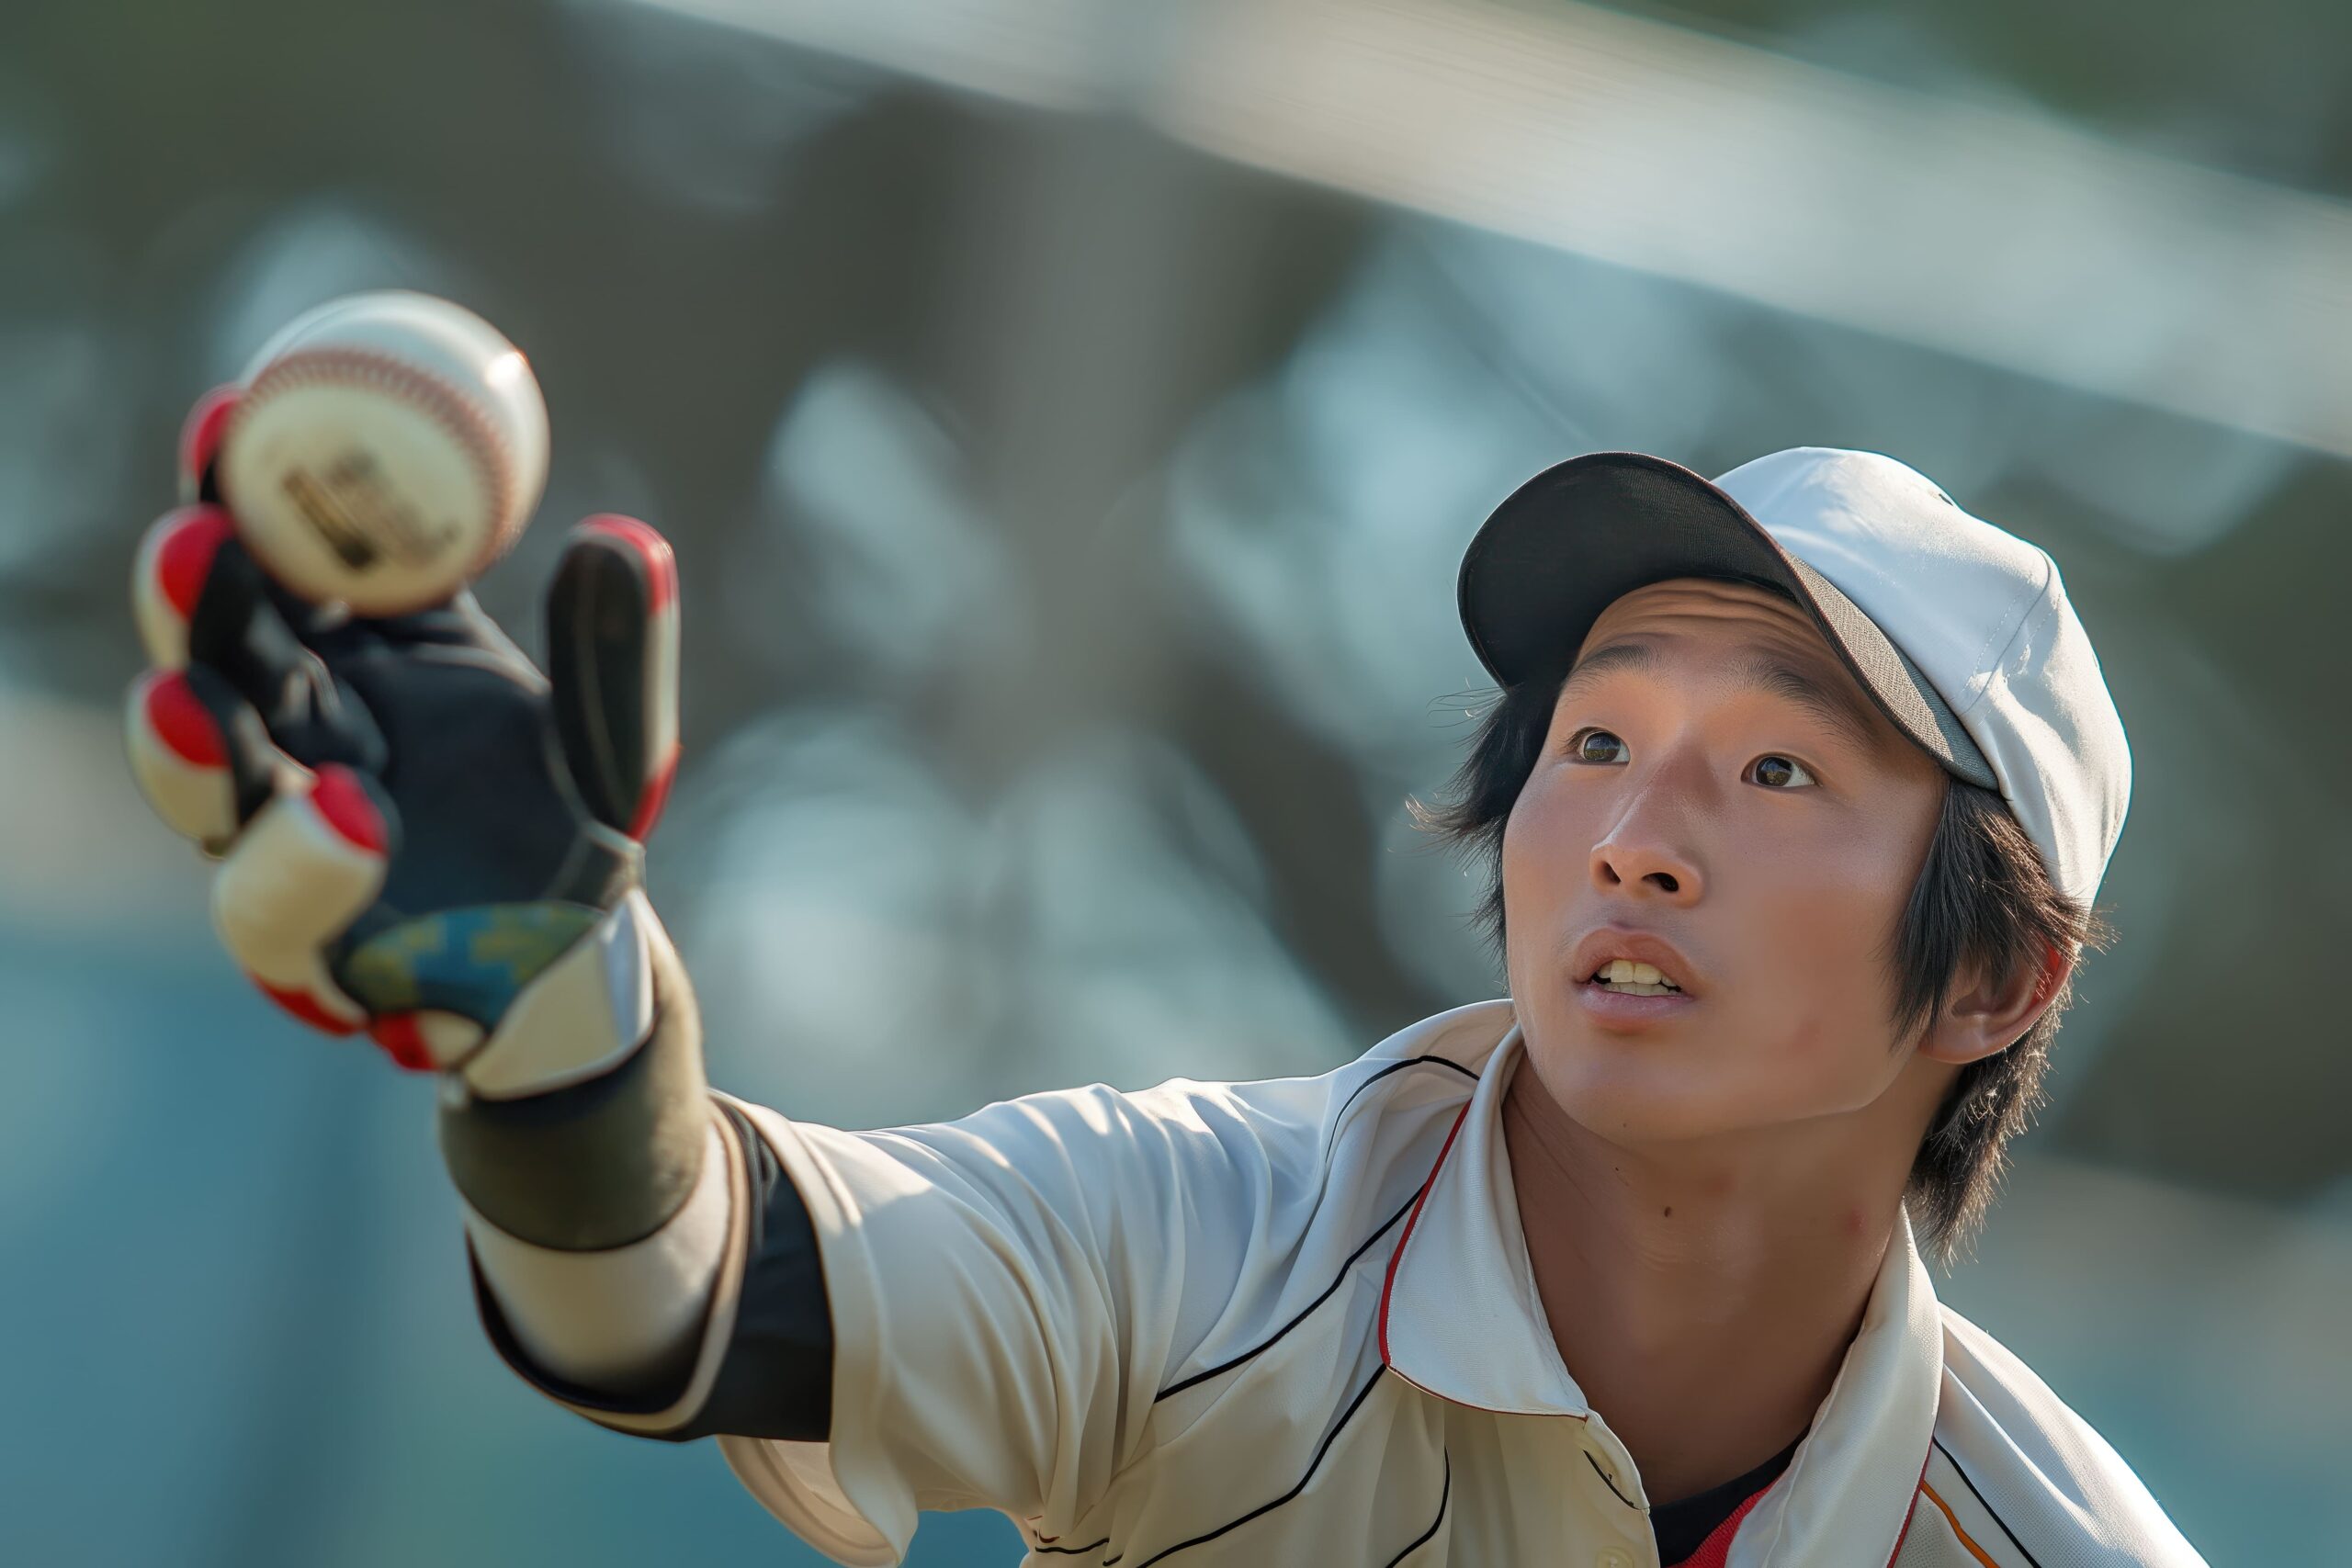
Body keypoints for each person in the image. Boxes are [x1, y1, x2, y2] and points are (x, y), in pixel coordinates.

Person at [127, 409, 2208, 1566]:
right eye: (1589, 738)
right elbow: (677, 1292)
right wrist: (560, 1004)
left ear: (1998, 972)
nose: (1635, 834)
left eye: (1772, 767)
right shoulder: (1217, 1237)